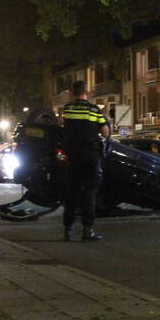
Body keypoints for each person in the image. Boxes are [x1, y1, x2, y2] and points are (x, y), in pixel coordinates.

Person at [61, 80, 109, 242]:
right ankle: (87, 230)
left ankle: (68, 229)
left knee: (72, 193)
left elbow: (65, 127)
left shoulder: (67, 109)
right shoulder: (94, 109)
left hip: (73, 156)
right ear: (86, 92)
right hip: (90, 155)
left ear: (73, 93)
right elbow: (105, 132)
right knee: (90, 193)